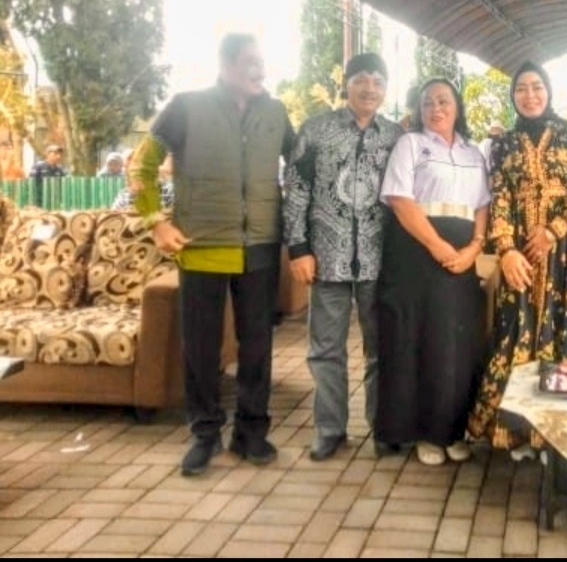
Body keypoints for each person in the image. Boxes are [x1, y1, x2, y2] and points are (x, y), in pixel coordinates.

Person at [132, 32, 295, 477]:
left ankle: (252, 432)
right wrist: (157, 222)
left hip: (261, 246)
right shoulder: (186, 107)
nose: (259, 70)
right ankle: (204, 434)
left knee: (257, 347)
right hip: (202, 247)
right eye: (249, 62)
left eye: (262, 62)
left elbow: (300, 166)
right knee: (201, 349)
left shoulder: (276, 112)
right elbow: (140, 166)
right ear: (224, 64)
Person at [468, 61, 567, 451]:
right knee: (514, 330)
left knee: (566, 333)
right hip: (521, 260)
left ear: (549, 91)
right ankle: (516, 432)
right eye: (522, 89)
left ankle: (560, 436)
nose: (530, 95)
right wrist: (507, 250)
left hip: (566, 259)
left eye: (537, 87)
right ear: (513, 96)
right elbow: (500, 199)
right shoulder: (504, 144)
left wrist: (551, 231)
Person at [282, 52, 402, 462]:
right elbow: (296, 190)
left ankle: (383, 427)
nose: (370, 88)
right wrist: (298, 248)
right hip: (326, 257)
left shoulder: (396, 137)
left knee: (381, 348)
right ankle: (330, 430)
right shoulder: (315, 131)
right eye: (362, 79)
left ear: (386, 90)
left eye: (378, 81)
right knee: (325, 350)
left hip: (379, 259)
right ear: (346, 84)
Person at [376, 78, 490, 466]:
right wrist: (436, 245)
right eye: (427, 103)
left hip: (463, 255)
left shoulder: (475, 153)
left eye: (443, 101)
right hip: (417, 252)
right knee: (420, 341)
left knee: (457, 345)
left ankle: (452, 430)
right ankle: (425, 432)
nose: (436, 108)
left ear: (457, 106)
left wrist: (474, 248)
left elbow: (482, 205)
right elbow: (399, 199)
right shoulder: (410, 144)